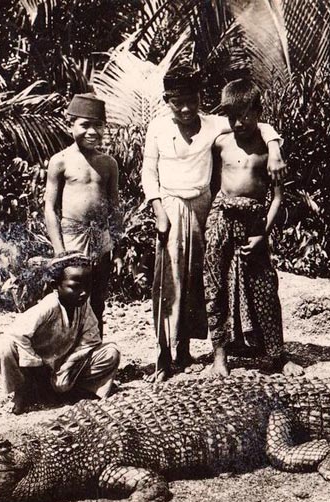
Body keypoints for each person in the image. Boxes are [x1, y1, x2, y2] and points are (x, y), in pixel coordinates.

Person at [141, 66, 286, 382]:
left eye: (191, 100)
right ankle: (166, 358)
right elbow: (148, 172)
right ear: (166, 100)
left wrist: (274, 147)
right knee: (172, 280)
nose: (185, 109)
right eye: (177, 102)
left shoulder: (215, 125)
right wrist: (158, 210)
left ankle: (205, 348)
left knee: (206, 280)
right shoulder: (157, 128)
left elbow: (255, 120)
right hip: (171, 205)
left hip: (206, 205)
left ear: (200, 99)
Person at [203, 79, 301, 377]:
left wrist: (263, 235)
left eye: (246, 114)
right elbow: (211, 187)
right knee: (215, 287)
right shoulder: (220, 141)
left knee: (264, 287)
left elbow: (278, 199)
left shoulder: (269, 150)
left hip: (255, 223)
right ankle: (219, 357)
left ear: (258, 112)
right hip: (220, 219)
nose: (239, 122)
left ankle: (277, 355)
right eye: (232, 116)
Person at [0, 254, 121, 414]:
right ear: (56, 285)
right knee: (5, 347)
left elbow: (90, 340)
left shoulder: (83, 307)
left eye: (88, 287)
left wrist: (67, 367)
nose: (83, 293)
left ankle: (76, 392)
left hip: (62, 364)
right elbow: (17, 335)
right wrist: (36, 364)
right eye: (75, 287)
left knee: (110, 352)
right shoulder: (48, 306)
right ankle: (22, 393)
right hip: (34, 368)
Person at [44, 92, 121, 335]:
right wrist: (59, 249)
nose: (92, 132)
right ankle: (67, 352)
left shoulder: (108, 164)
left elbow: (115, 208)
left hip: (100, 240)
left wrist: (117, 249)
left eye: (98, 126)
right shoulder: (61, 161)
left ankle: (94, 351)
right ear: (70, 125)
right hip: (71, 240)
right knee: (70, 296)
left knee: (97, 299)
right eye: (85, 125)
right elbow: (50, 207)